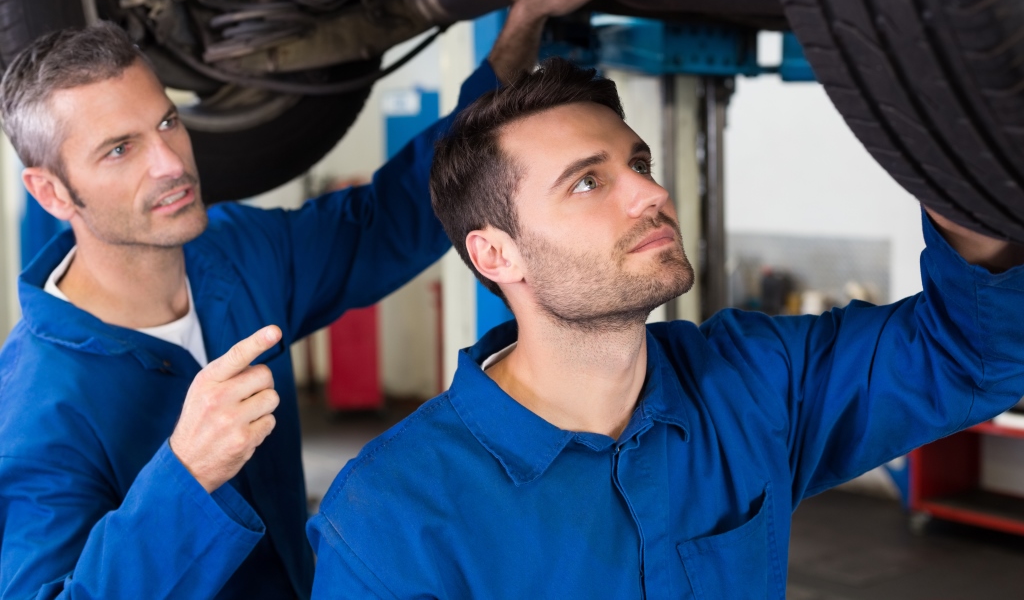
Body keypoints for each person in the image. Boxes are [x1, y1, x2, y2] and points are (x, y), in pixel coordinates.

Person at [0, 0, 635, 597]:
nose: (171, 163)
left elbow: (390, 218)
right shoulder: (39, 405)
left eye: (167, 122)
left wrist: (524, 21)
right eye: (119, 150)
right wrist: (184, 475)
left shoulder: (235, 253)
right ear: (50, 190)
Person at [306, 57, 1024, 598]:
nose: (653, 192)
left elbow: (975, 352)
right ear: (496, 253)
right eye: (589, 181)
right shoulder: (390, 516)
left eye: (639, 162)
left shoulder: (754, 381)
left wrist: (955, 155)